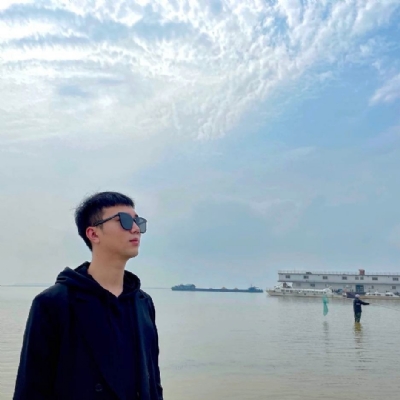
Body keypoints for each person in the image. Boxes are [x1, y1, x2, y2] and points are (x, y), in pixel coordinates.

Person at [13, 191, 163, 400]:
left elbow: (153, 382)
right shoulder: (54, 303)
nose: (136, 228)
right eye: (125, 220)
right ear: (93, 234)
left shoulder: (143, 303)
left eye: (138, 221)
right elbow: (31, 389)